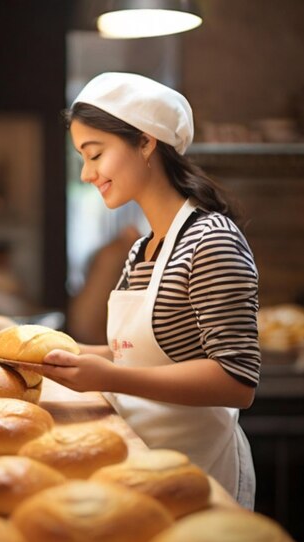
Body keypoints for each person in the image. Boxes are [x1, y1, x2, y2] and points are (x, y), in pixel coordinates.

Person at [40, 72, 260, 509]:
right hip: (146, 467)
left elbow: (237, 380)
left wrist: (109, 376)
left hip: (200, 475)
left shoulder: (212, 239)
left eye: (95, 154)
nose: (86, 173)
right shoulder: (145, 247)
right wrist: (70, 353)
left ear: (145, 143)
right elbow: (136, 354)